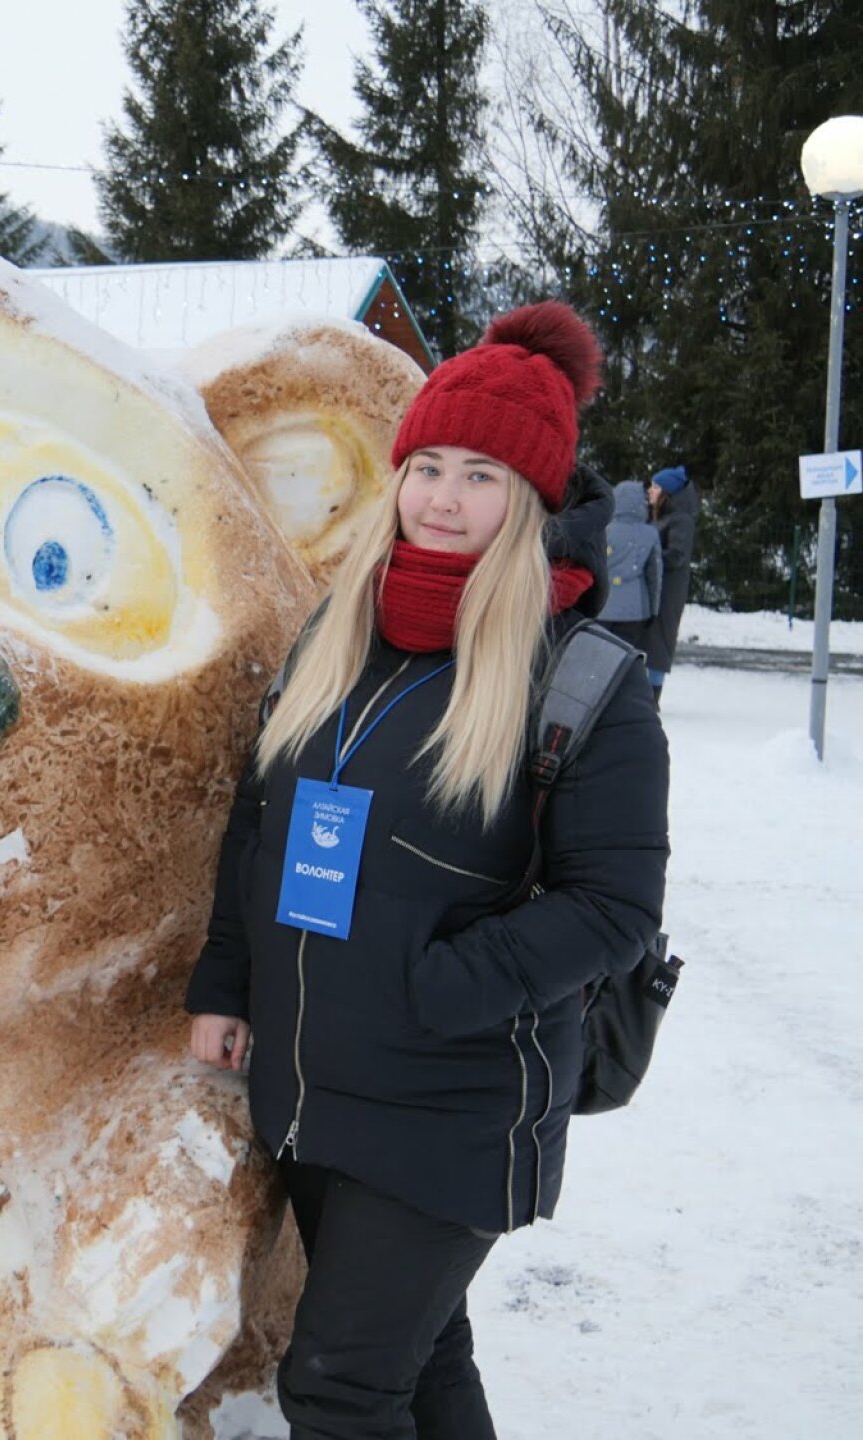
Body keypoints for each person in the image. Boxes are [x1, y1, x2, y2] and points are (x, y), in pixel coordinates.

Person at [186, 302, 669, 1440]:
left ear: (529, 501)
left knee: (337, 1394)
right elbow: (263, 818)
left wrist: (435, 987)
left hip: (449, 1104)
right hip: (310, 1080)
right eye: (430, 468)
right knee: (425, 1359)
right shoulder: (337, 637)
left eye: (482, 476)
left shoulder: (581, 680)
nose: (444, 499)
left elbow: (614, 905)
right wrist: (226, 982)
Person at [642, 464, 697, 705]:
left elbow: (677, 555)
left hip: (668, 592)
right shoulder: (656, 516)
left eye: (655, 487)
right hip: (653, 587)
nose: (650, 491)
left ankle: (653, 695)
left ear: (667, 493)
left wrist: (647, 557)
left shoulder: (680, 520)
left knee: (659, 642)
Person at [595, 478, 662, 652]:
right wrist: (654, 610)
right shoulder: (650, 534)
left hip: (601, 607)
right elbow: (654, 576)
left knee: (599, 657)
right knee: (626, 657)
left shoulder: (601, 530)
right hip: (635, 610)